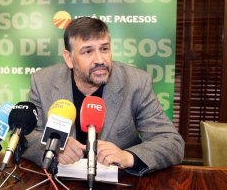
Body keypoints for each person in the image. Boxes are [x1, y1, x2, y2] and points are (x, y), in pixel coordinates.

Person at [22, 17, 184, 176]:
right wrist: (54, 146)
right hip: (59, 184)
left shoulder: (136, 83)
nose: (100, 60)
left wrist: (128, 157)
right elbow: (25, 135)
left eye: (104, 49)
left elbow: (171, 142)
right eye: (88, 51)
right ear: (69, 58)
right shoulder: (43, 81)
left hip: (117, 189)